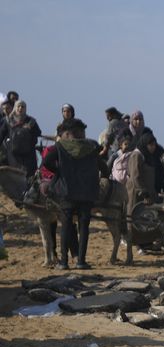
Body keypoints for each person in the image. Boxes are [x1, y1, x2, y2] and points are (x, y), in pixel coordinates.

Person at [41, 118, 101, 270]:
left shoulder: (60, 147)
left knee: (66, 226)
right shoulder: (92, 146)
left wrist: (59, 172)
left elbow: (46, 161)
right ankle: (81, 261)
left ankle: (64, 262)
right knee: (84, 226)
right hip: (87, 192)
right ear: (80, 132)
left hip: (67, 192)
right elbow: (103, 166)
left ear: (68, 133)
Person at [1, 100, 42, 177]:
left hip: (29, 154)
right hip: (13, 154)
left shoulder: (31, 121)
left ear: (25, 108)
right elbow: (1, 135)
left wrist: (29, 128)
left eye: (22, 107)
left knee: (29, 176)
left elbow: (38, 132)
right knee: (14, 176)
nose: (20, 108)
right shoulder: (8, 120)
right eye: (18, 106)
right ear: (15, 108)